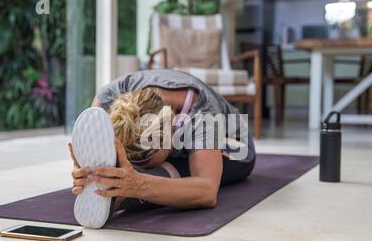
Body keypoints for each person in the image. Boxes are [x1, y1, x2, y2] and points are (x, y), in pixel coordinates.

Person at [69, 69, 255, 211]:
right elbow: (96, 151)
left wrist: (139, 184)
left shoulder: (202, 111)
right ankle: (121, 188)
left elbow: (207, 191)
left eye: (143, 161)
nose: (136, 164)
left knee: (178, 172)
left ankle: (125, 195)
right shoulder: (107, 99)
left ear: (171, 125)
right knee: (120, 170)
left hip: (234, 145)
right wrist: (89, 171)